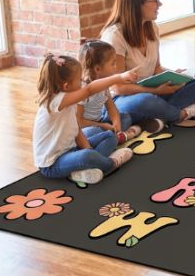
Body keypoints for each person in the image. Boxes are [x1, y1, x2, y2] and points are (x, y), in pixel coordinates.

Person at [100, 0, 195, 129]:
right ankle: (180, 115)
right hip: (122, 99)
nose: (160, 4)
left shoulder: (152, 28)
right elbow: (118, 87)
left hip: (152, 91)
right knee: (145, 101)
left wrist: (177, 75)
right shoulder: (114, 35)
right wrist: (154, 91)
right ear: (137, 4)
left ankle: (152, 118)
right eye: (155, 0)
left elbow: (156, 68)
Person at [33, 51, 138, 185]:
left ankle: (84, 168)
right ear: (66, 86)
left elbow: (76, 130)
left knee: (110, 136)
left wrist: (88, 148)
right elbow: (89, 90)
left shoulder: (68, 102)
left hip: (70, 150)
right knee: (87, 156)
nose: (82, 82)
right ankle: (110, 164)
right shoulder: (55, 101)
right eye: (79, 80)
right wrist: (119, 77)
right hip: (52, 165)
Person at [77, 39, 143, 144]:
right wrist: (103, 126)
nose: (116, 67)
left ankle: (115, 137)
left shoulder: (104, 86)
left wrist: (117, 126)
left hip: (100, 121)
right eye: (113, 64)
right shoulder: (83, 89)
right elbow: (79, 122)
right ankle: (117, 138)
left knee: (125, 117)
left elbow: (112, 109)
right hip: (85, 128)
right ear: (97, 69)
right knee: (94, 131)